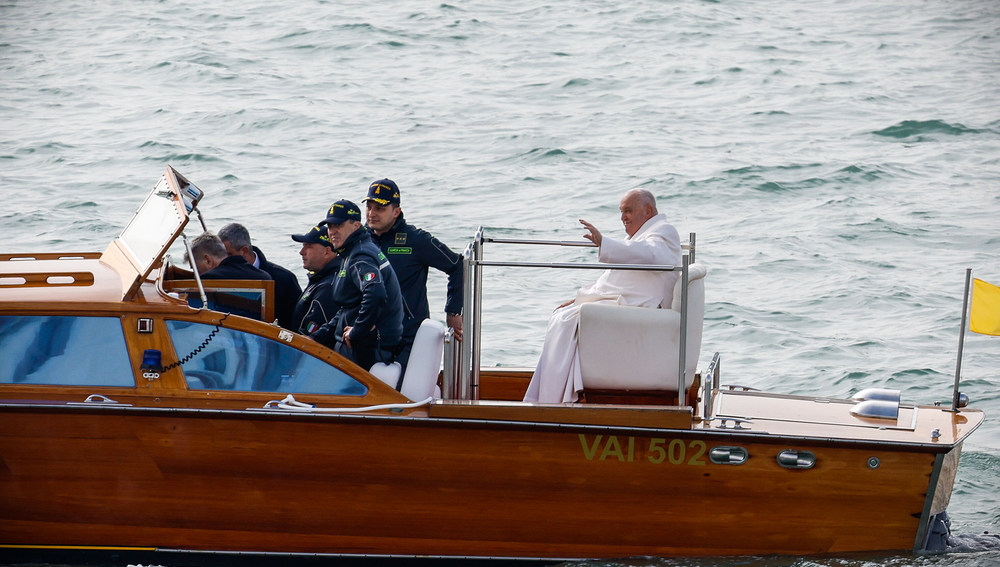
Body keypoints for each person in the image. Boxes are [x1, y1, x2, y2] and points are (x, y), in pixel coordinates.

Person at [522, 189, 682, 404]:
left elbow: (651, 254)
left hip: (643, 307)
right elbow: (616, 279)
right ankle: (552, 396)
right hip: (631, 302)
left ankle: (554, 399)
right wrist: (581, 298)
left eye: (628, 211)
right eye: (621, 211)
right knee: (563, 315)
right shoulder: (641, 236)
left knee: (566, 320)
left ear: (648, 210)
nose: (623, 217)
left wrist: (604, 242)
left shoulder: (664, 231)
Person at [364, 178, 463, 375]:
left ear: (396, 212)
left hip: (408, 337)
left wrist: (452, 311)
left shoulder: (416, 240)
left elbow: (457, 265)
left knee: (400, 390)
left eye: (379, 208)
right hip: (368, 335)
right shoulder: (360, 240)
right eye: (369, 207)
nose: (372, 214)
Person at [318, 199, 405, 371]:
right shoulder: (354, 251)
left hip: (367, 351)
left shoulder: (360, 255)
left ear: (356, 225)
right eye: (330, 226)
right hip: (359, 346)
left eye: (338, 225)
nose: (332, 231)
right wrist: (318, 336)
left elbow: (376, 293)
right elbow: (347, 308)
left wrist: (358, 330)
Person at [218, 223, 303, 330]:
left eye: (228, 255)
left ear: (244, 251)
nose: (223, 260)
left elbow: (297, 323)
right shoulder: (217, 277)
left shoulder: (284, 279)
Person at [290, 224, 342, 343]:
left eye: (308, 246)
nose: (301, 252)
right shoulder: (321, 278)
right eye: (303, 246)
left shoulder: (328, 286)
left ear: (326, 251)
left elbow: (309, 338)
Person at [189, 231, 272, 282]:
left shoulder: (208, 278)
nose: (195, 276)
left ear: (208, 260)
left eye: (196, 269)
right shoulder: (265, 276)